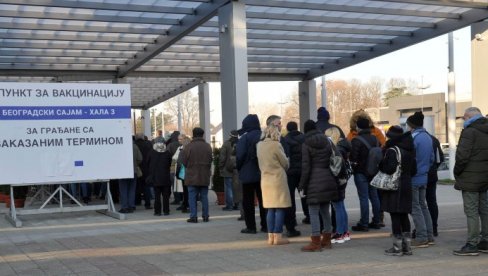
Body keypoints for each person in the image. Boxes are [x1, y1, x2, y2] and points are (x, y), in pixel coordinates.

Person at [453, 107, 488, 256]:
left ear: (468, 117)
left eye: (464, 119)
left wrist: (457, 171)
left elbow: (462, 156)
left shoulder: (469, 131)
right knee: (485, 210)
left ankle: (472, 244)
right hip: (485, 177)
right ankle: (485, 241)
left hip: (470, 178)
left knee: (471, 211)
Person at [299, 120, 339, 252]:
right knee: (325, 210)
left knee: (313, 212)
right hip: (327, 178)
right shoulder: (327, 141)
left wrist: (301, 186)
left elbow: (305, 167)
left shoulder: (306, 144)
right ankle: (327, 240)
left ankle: (315, 242)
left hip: (313, 181)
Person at [378, 126, 416, 256]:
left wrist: (381, 164)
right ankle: (407, 247)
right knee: (404, 215)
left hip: (395, 186)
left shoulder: (392, 150)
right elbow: (414, 170)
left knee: (395, 215)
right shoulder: (410, 149)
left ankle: (397, 247)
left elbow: (389, 169)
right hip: (407, 184)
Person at [257, 124, 291, 245]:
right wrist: (287, 160)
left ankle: (270, 237)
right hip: (277, 179)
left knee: (270, 208)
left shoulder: (259, 145)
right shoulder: (276, 145)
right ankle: (278, 236)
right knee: (280, 207)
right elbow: (285, 163)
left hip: (265, 179)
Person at [407, 111, 435, 248]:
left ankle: (421, 237)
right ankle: (429, 235)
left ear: (410, 125)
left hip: (413, 178)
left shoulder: (413, 138)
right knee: (423, 206)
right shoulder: (428, 137)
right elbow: (432, 159)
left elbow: (410, 160)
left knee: (415, 208)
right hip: (424, 177)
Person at [237, 114, 267, 234]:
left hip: (247, 174)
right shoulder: (264, 136)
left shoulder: (244, 138)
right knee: (264, 201)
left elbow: (240, 156)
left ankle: (251, 227)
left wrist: (240, 168)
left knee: (248, 202)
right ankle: (265, 225)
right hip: (263, 173)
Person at [350, 117, 382, 231]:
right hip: (373, 172)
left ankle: (364, 223)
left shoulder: (356, 140)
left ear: (358, 127)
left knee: (363, 197)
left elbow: (353, 158)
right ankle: (377, 221)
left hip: (361, 172)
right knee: (374, 196)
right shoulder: (375, 139)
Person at [325, 127, 351, 243]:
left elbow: (335, 168)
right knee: (341, 206)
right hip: (342, 180)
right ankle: (344, 232)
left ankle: (340, 232)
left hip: (337, 181)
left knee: (338, 207)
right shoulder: (343, 147)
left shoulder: (335, 149)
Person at [182, 128, 213, 223]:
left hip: (192, 176)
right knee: (204, 197)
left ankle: (193, 217)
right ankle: (206, 216)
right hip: (204, 175)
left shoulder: (188, 147)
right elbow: (210, 160)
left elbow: (184, 162)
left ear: (193, 135)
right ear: (202, 135)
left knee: (192, 197)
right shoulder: (208, 146)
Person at [283, 121, 304, 237]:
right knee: (304, 194)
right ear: (297, 128)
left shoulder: (285, 140)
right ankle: (309, 216)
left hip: (290, 173)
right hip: (302, 171)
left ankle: (292, 221)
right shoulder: (304, 138)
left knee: (290, 198)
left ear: (287, 129)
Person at [147, 142, 172, 216]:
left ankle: (157, 211)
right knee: (166, 196)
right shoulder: (167, 153)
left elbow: (147, 162)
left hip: (155, 177)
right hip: (165, 177)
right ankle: (166, 211)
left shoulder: (151, 153)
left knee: (157, 195)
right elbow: (169, 164)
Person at [119, 139, 142, 213]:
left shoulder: (120, 146)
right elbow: (140, 159)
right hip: (133, 171)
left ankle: (124, 207)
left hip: (122, 171)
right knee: (132, 189)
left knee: (123, 190)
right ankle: (131, 206)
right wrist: (135, 164)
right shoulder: (135, 147)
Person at [219, 131, 239, 211]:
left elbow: (222, 157)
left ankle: (229, 206)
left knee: (229, 188)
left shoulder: (226, 144)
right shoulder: (241, 143)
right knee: (237, 188)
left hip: (227, 170)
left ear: (230, 135)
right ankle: (237, 205)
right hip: (237, 169)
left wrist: (220, 167)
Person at [134, 133, 154, 210]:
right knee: (146, 187)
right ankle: (147, 204)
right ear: (143, 138)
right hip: (146, 168)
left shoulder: (134, 145)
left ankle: (137, 201)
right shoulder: (148, 145)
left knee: (136, 186)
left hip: (137, 168)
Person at [174, 134, 191, 213]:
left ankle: (186, 205)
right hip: (192, 173)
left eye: (181, 139)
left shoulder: (182, 151)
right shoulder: (192, 150)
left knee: (186, 190)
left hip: (184, 173)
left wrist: (177, 174)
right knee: (191, 190)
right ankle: (189, 204)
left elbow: (179, 162)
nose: (179, 141)